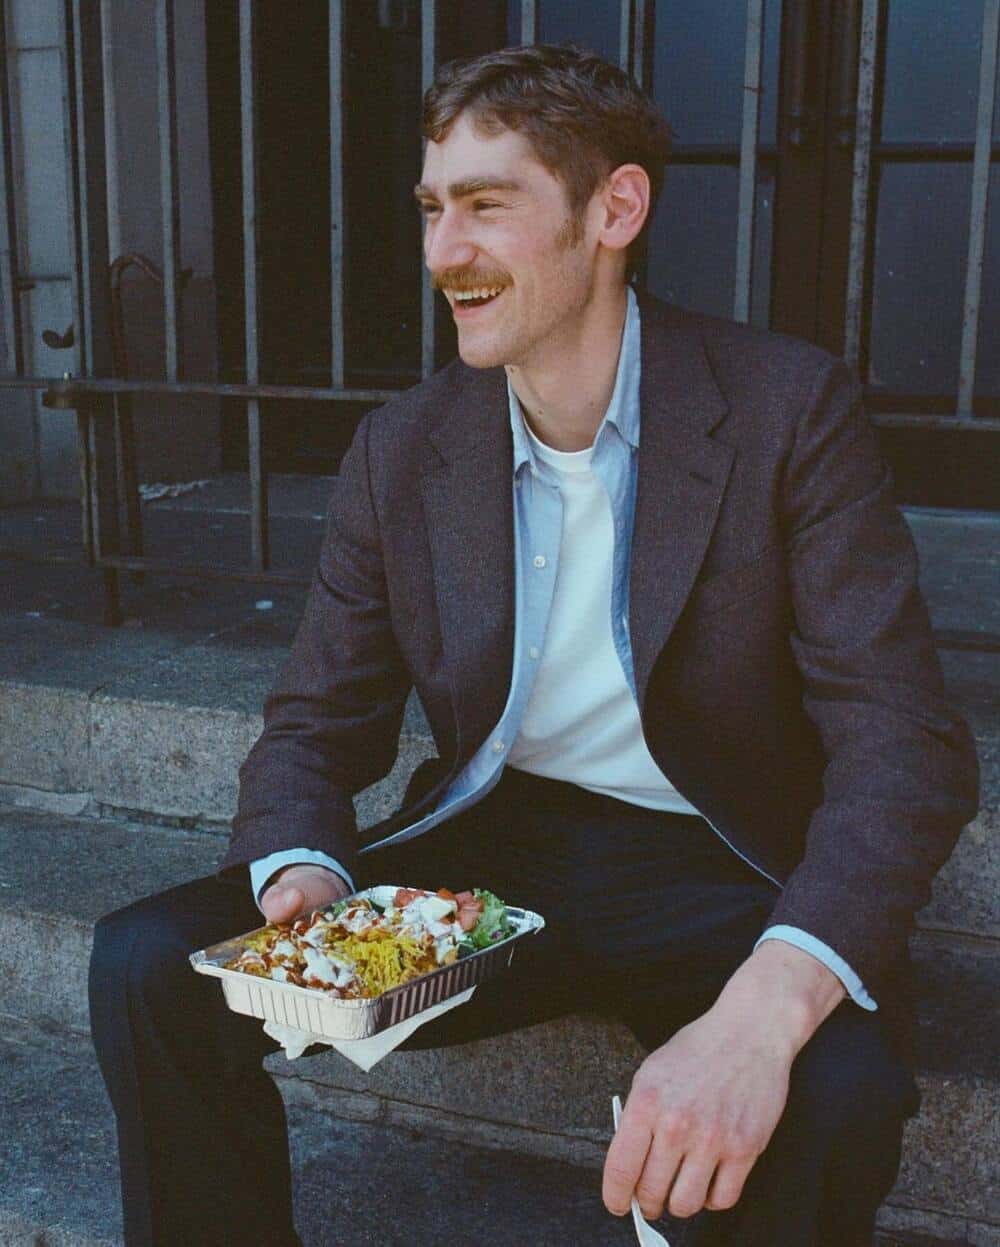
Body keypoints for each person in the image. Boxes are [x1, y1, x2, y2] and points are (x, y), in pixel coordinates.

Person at [89, 43, 978, 1247]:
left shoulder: (784, 408)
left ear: (615, 207)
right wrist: (301, 875)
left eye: (486, 205)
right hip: (502, 850)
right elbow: (316, 718)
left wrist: (766, 1006)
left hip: (729, 855)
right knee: (149, 961)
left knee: (840, 1091)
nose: (441, 250)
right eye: (431, 207)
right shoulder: (402, 449)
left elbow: (903, 744)